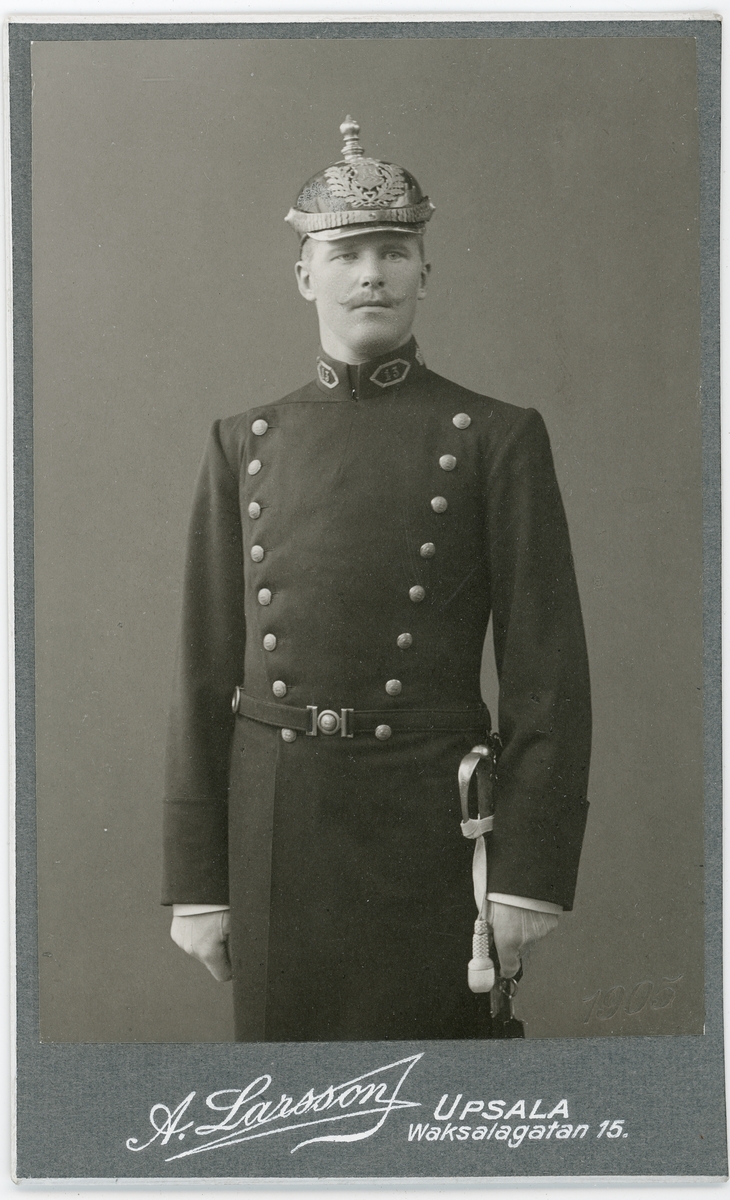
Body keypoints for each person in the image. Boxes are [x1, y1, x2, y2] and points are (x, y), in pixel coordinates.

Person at [162, 117, 591, 1042]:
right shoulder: (242, 443)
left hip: (431, 826)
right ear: (304, 275)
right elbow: (201, 675)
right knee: (286, 1103)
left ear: (424, 273)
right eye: (347, 252)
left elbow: (546, 673)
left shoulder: (496, 436)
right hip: (277, 827)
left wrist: (528, 876)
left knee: (434, 1097)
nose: (372, 274)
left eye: (394, 252)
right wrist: (197, 884)